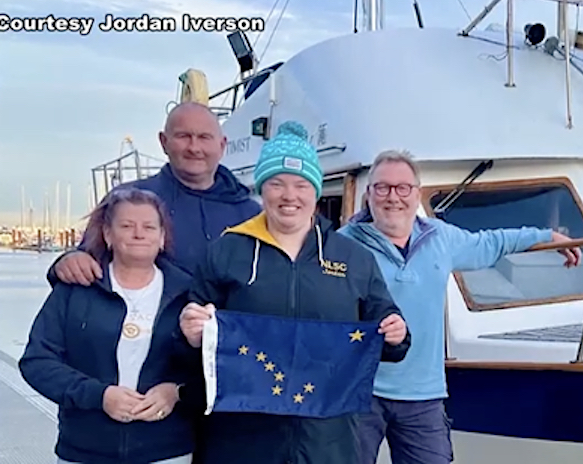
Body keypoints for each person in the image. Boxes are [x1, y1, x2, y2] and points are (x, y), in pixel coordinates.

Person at [178, 121, 412, 464]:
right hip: (242, 441)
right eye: (277, 184)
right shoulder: (227, 252)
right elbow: (186, 346)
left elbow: (387, 335)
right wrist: (189, 335)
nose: (290, 196)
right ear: (262, 189)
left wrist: (397, 334)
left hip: (328, 441)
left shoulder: (352, 258)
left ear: (316, 191)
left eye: (301, 184)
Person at [337, 149, 583, 464]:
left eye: (403, 188)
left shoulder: (440, 237)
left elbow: (492, 243)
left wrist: (546, 236)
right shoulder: (344, 245)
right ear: (369, 194)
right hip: (358, 393)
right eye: (382, 187)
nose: (392, 197)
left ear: (417, 194)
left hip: (423, 394)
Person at [19, 187, 201, 464]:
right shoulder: (75, 291)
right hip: (85, 450)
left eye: (149, 227)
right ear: (107, 234)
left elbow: (212, 367)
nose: (139, 234)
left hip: (166, 450)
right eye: (127, 226)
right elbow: (37, 361)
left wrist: (175, 391)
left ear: (162, 237)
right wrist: (99, 395)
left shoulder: (189, 296)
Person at [49, 101, 261, 284]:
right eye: (183, 136)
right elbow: (86, 260)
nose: (194, 147)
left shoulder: (251, 213)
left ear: (222, 145)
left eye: (204, 137)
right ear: (163, 142)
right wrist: (68, 262)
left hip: (226, 328)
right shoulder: (125, 200)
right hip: (147, 329)